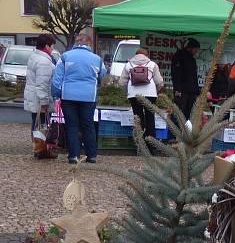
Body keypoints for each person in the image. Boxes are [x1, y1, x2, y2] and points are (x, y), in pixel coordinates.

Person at [51, 33, 107, 164]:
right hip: (89, 96)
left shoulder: (65, 56)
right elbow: (102, 74)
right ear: (89, 44)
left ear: (76, 43)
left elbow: (56, 79)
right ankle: (91, 155)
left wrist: (57, 94)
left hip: (68, 96)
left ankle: (73, 156)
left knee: (71, 126)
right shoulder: (97, 59)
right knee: (88, 126)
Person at [24, 34, 58, 159]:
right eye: (52, 46)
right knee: (42, 125)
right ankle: (41, 150)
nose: (52, 49)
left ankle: (38, 148)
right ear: (46, 45)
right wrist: (44, 101)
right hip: (39, 98)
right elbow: (42, 83)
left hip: (33, 95)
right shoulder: (44, 61)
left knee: (36, 123)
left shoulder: (34, 56)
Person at [119, 47, 164, 140]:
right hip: (150, 94)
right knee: (150, 118)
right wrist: (157, 91)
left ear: (135, 55)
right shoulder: (152, 64)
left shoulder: (128, 65)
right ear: (147, 55)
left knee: (137, 118)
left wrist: (127, 92)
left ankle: (140, 143)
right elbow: (159, 82)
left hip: (134, 95)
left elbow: (121, 83)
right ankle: (151, 145)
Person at [171, 37, 200, 121]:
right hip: (181, 92)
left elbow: (194, 76)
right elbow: (176, 74)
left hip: (192, 92)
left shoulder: (192, 59)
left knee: (189, 114)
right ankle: (175, 133)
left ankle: (186, 133)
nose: (196, 51)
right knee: (178, 114)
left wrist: (197, 91)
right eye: (196, 49)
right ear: (190, 48)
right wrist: (177, 89)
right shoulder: (178, 57)